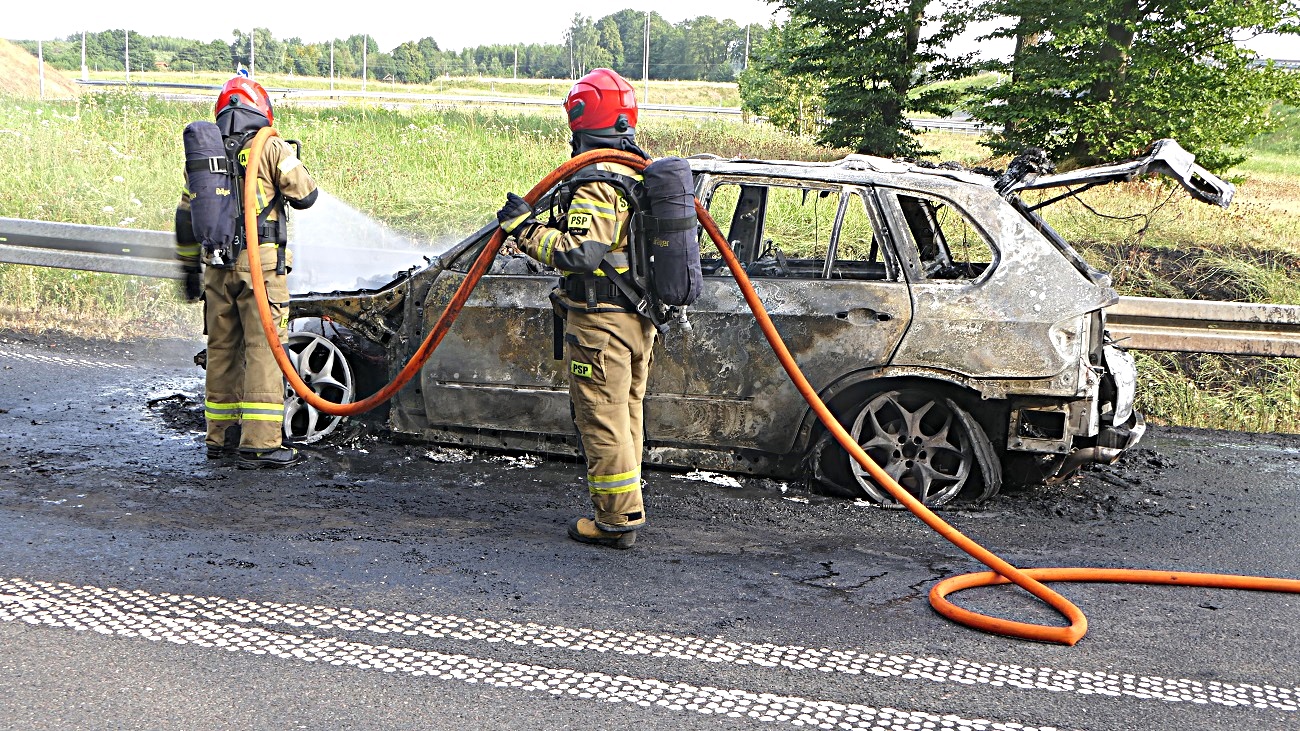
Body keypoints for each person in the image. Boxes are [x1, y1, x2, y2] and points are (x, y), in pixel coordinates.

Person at [496, 68, 654, 550]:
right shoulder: (635, 169)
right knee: (624, 417)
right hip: (636, 319)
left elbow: (582, 253)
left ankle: (614, 521)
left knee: (601, 418)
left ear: (580, 119)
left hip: (602, 321)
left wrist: (524, 230)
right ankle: (625, 507)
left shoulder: (598, 180)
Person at [175, 76, 319, 468]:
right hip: (261, 269)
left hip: (216, 269)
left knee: (222, 351)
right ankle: (260, 443)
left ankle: (220, 437)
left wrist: (189, 269)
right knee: (263, 350)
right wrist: (289, 156)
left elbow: (186, 215)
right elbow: (306, 194)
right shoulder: (270, 146)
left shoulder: (204, 153)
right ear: (262, 108)